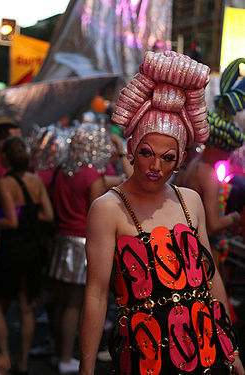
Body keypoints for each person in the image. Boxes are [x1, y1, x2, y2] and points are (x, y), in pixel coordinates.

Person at [78, 51, 245, 375]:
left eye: (168, 158)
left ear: (181, 158)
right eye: (146, 153)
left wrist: (232, 351)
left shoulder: (190, 200)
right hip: (145, 358)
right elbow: (96, 294)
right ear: (130, 149)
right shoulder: (107, 209)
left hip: (207, 354)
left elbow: (210, 281)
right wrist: (86, 369)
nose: (156, 166)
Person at [0, 137, 54, 374]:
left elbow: (10, 220)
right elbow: (48, 215)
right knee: (27, 307)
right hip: (33, 251)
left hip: (12, 250)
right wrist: (29, 216)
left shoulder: (5, 183)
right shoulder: (36, 180)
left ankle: (6, 356)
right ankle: (24, 363)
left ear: (6, 158)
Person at [181, 58, 245, 266]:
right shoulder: (207, 173)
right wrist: (235, 217)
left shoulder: (195, 162)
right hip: (198, 255)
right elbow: (212, 225)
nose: (229, 157)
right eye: (228, 151)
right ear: (221, 147)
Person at [47, 159, 105, 374]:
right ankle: (65, 357)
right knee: (73, 304)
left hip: (62, 238)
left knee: (61, 301)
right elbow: (98, 212)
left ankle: (58, 352)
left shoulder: (62, 169)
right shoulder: (92, 175)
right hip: (80, 241)